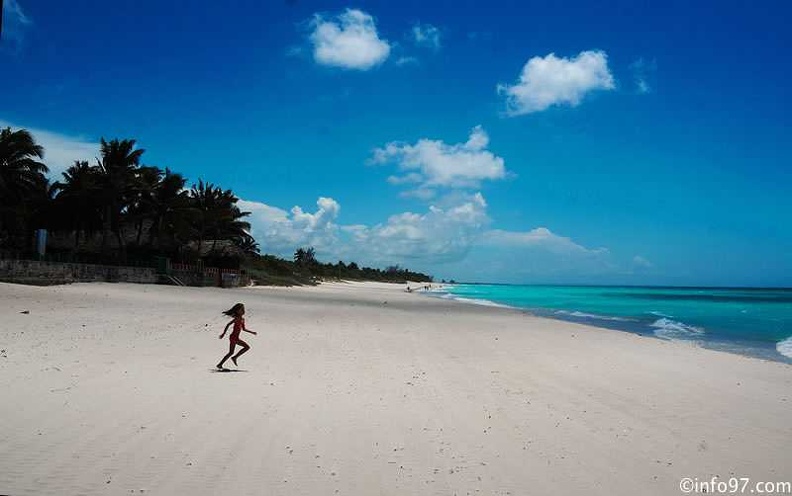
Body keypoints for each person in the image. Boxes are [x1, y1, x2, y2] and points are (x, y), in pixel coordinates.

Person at [216, 303, 257, 370]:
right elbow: (228, 324)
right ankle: (234, 357)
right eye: (241, 309)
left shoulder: (242, 319)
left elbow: (244, 329)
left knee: (231, 352)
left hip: (234, 337)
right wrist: (223, 333)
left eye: (243, 309)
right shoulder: (237, 318)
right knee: (247, 347)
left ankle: (220, 364)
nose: (243, 311)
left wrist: (252, 332)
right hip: (233, 337)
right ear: (237, 311)